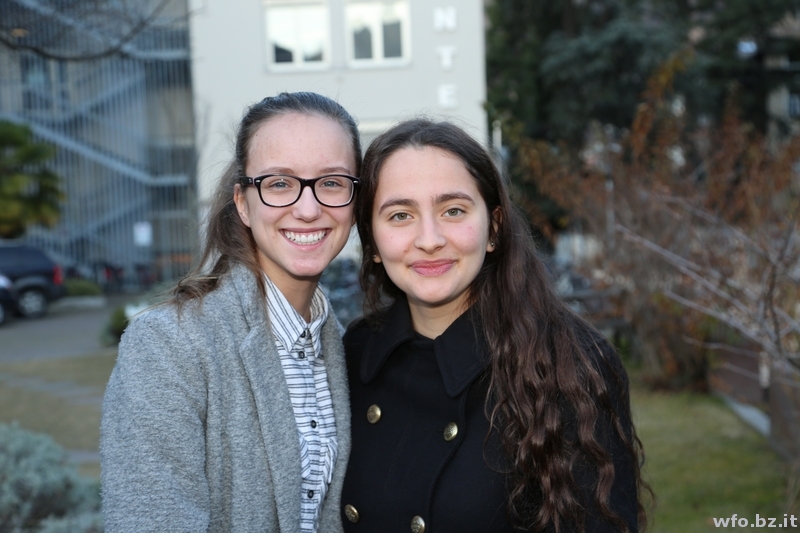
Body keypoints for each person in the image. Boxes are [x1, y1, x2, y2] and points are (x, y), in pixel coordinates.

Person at [341, 119, 650, 533]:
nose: (429, 239)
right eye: (400, 215)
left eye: (453, 210)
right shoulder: (354, 354)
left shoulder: (568, 364)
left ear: (495, 227)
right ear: (373, 241)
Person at [101, 92, 361, 533]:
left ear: (355, 202)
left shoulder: (348, 347)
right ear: (242, 202)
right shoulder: (168, 345)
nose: (308, 208)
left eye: (332, 182)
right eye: (279, 183)